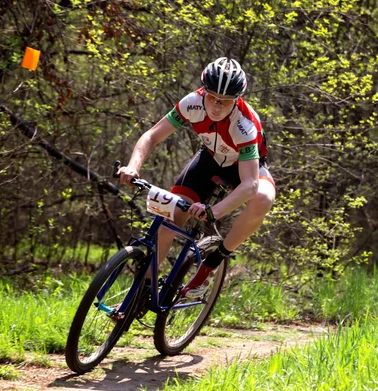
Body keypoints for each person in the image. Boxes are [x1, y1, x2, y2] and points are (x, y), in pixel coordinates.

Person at [117, 57, 276, 298]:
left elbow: (250, 184)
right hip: (209, 159)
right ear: (204, 91)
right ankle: (141, 291)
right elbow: (151, 136)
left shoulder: (244, 125)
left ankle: (213, 261)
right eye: (212, 97)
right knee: (171, 217)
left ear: (237, 99)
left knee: (264, 198)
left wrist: (213, 211)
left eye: (225, 102)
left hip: (242, 167)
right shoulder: (192, 103)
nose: (216, 106)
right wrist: (132, 167)